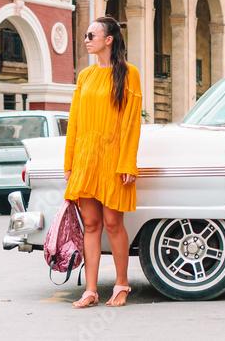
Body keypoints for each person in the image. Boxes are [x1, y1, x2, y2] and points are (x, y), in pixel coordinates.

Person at [63, 16, 142, 308]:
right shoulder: (84, 76)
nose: (86, 39)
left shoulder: (129, 73)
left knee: (112, 223)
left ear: (108, 39)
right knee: (92, 224)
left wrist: (127, 164)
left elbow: (132, 123)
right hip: (85, 158)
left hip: (113, 158)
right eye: (86, 35)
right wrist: (69, 162)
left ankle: (121, 285)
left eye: (91, 35)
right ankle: (91, 291)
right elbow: (74, 122)